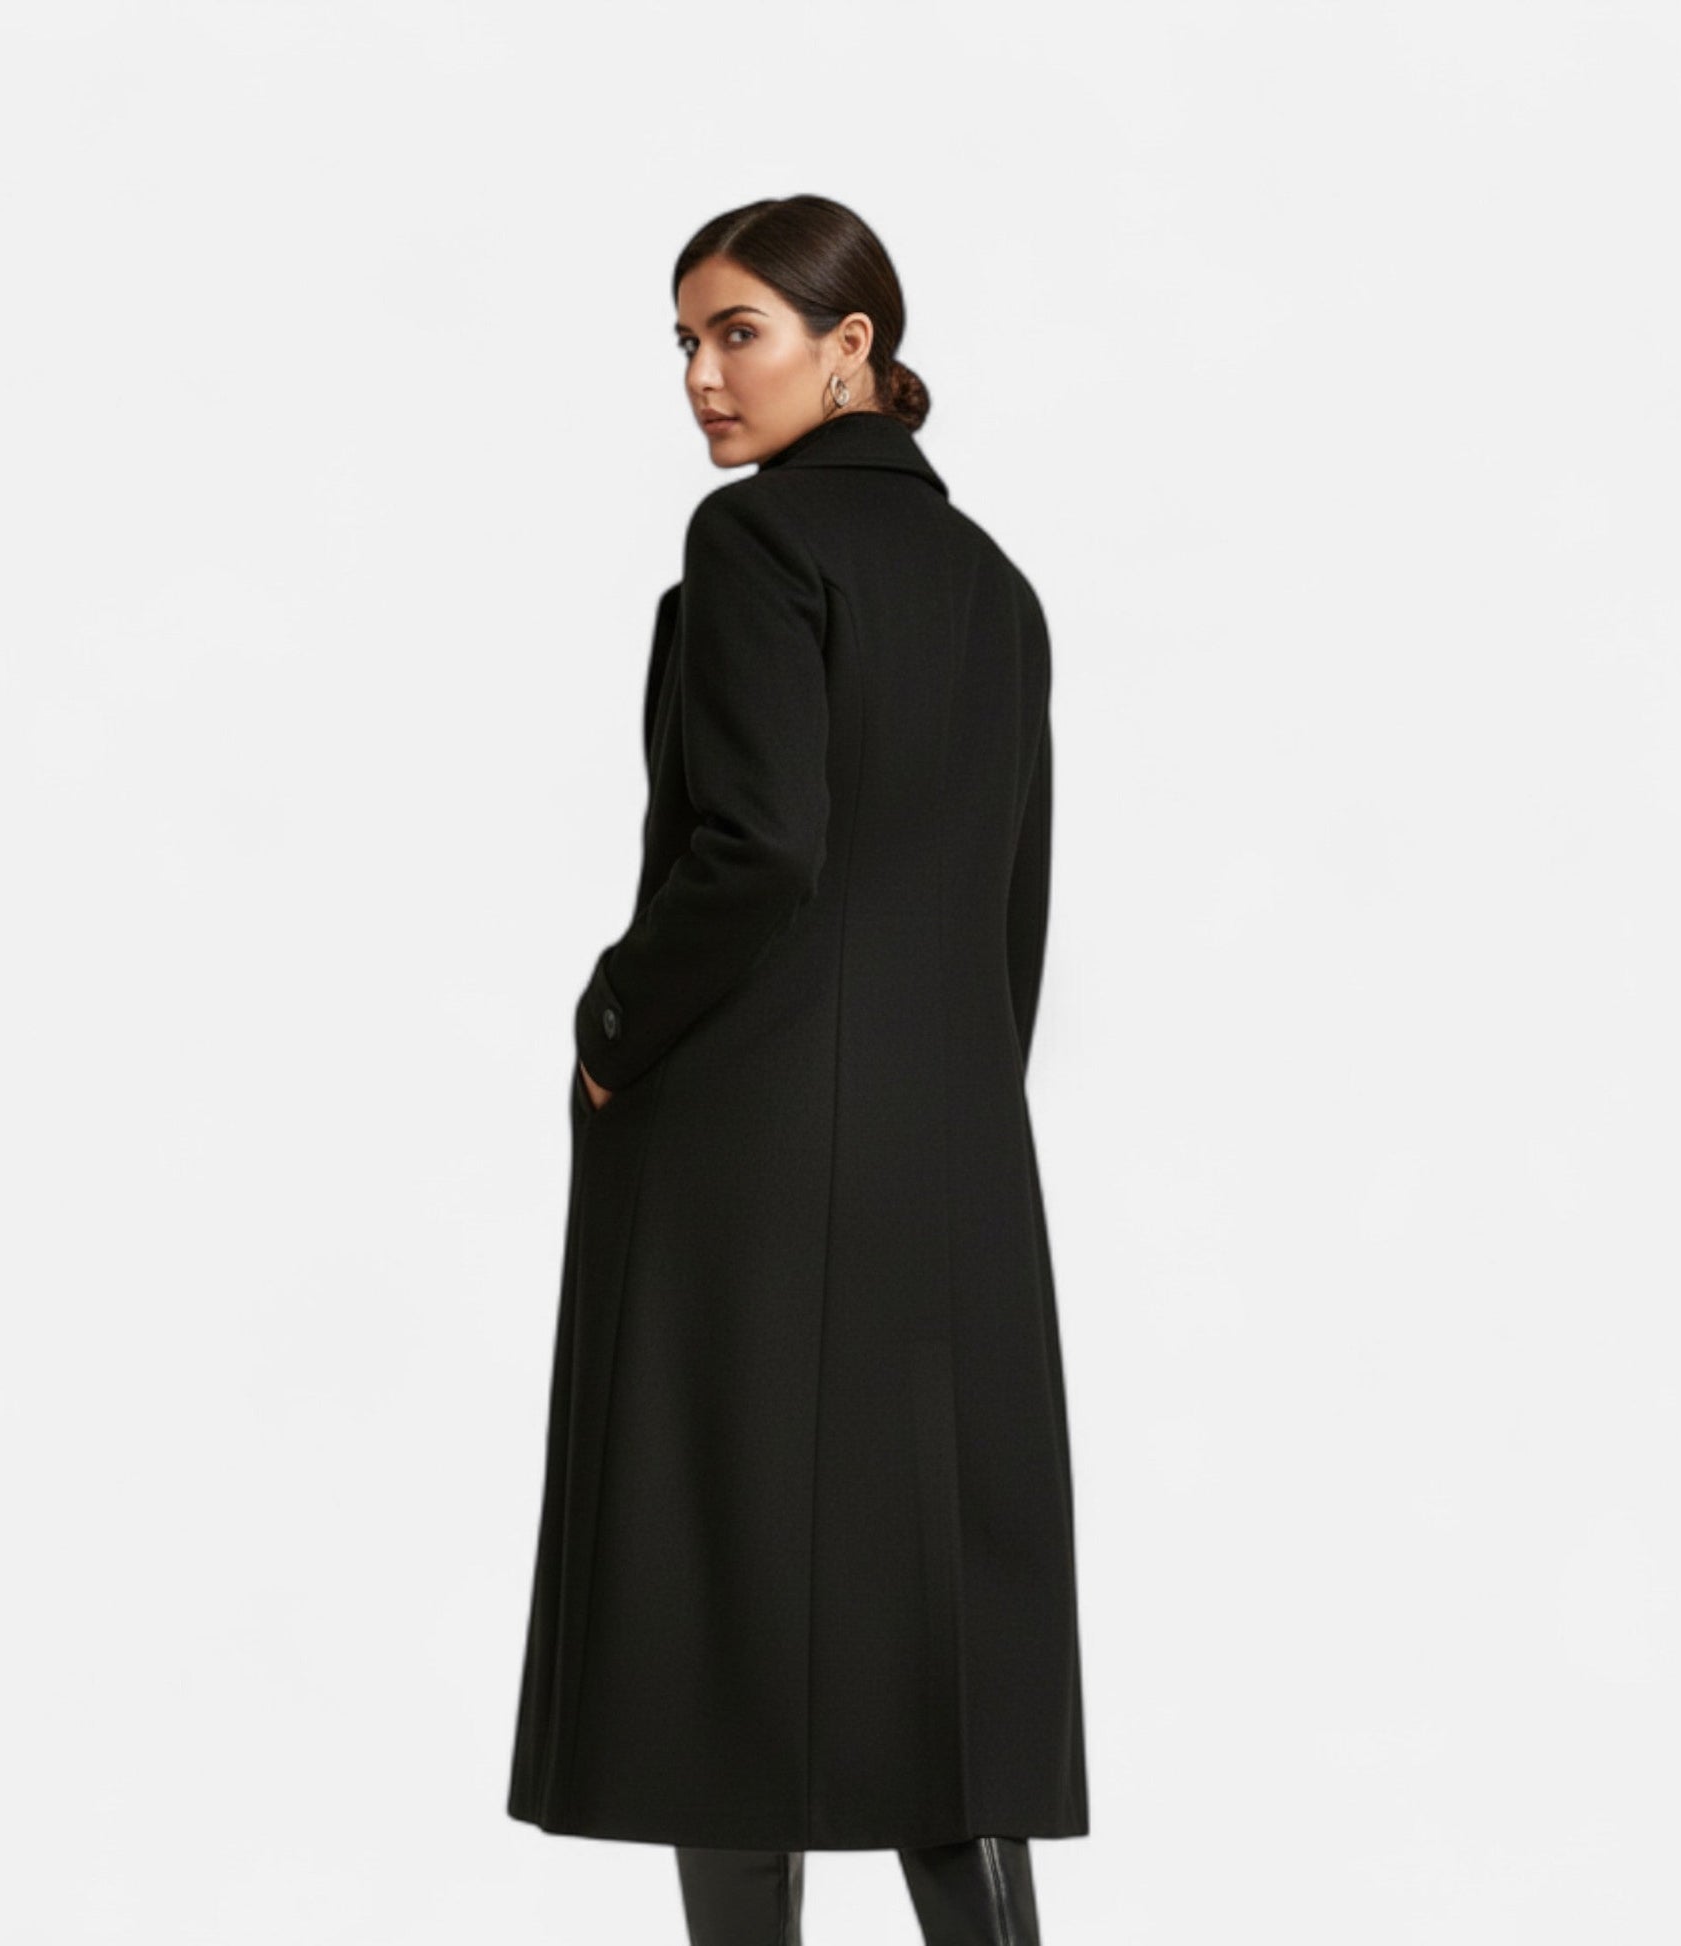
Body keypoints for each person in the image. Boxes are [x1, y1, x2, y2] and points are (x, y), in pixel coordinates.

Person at [506, 194, 1086, 1945]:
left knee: (728, 1606)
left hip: (747, 1154)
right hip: (950, 1163)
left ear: (851, 346)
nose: (702, 374)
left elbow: (755, 849)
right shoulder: (996, 589)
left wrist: (613, 1023)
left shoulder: (755, 539)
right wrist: (953, 1110)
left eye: (737, 331)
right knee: (937, 1630)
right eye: (686, 340)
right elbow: (1010, 913)